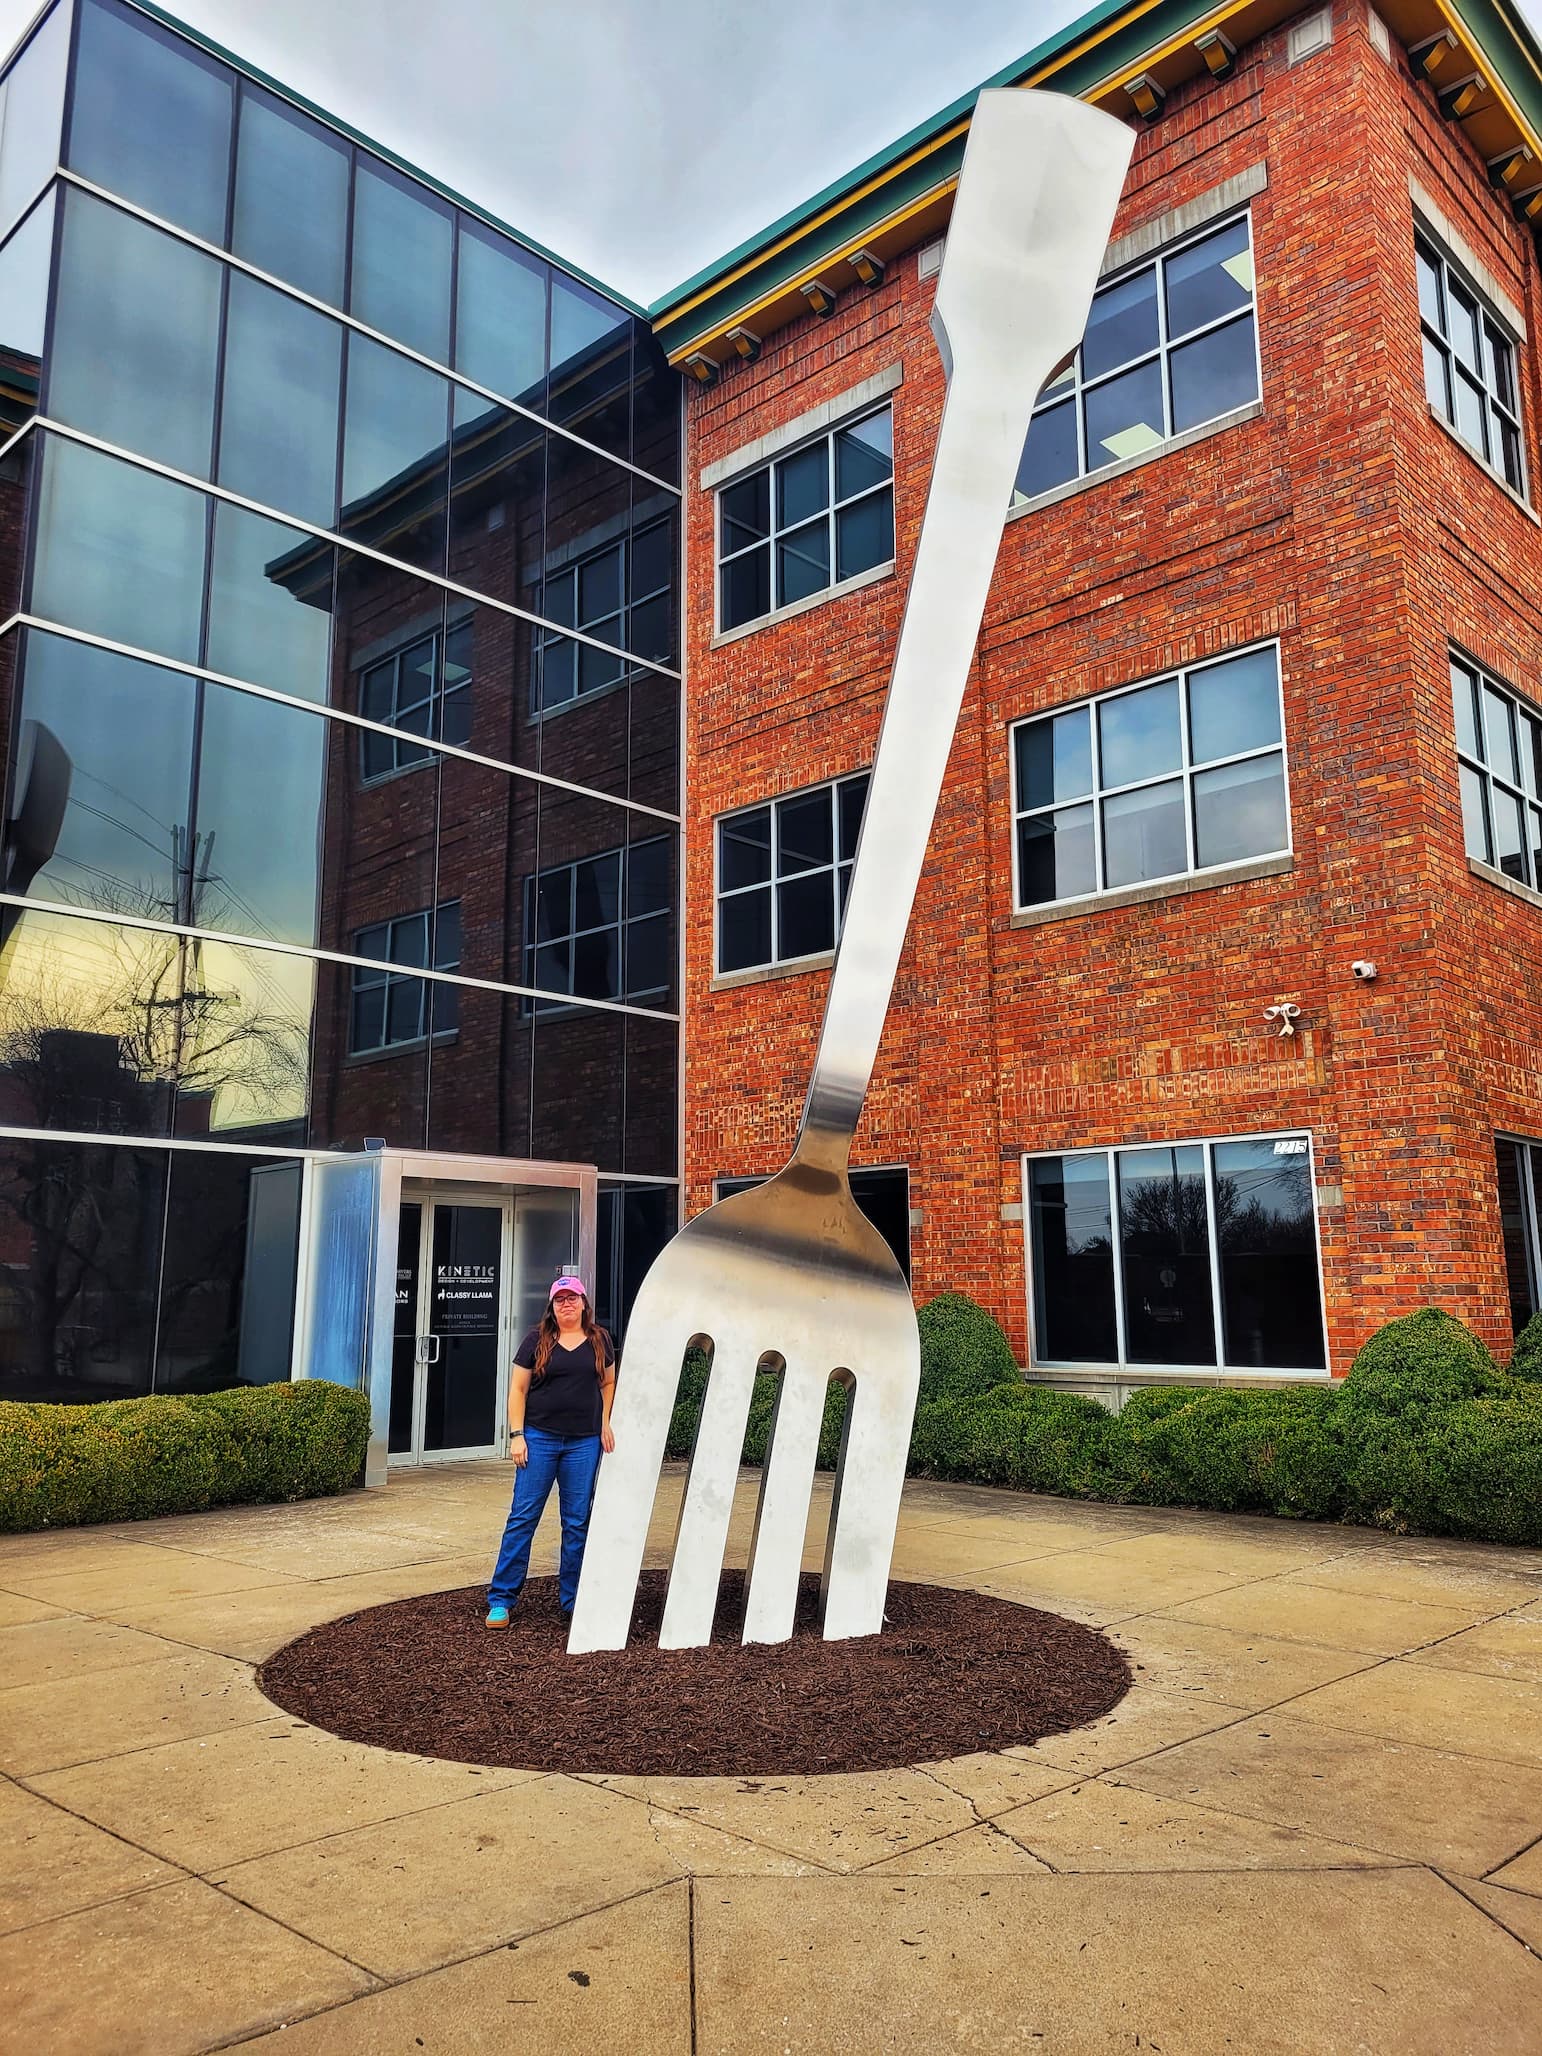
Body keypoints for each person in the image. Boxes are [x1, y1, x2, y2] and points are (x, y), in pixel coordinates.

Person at [485, 1275, 615, 1627]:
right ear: (552, 1305)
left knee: (576, 1522)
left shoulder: (600, 1340)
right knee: (523, 1517)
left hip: (583, 1442)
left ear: (585, 1304)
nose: (567, 1304)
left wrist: (604, 1421)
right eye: (560, 1299)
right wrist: (517, 1435)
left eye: (573, 1298)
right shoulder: (536, 1340)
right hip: (539, 1439)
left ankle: (573, 1600)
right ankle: (501, 1599)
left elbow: (608, 1382)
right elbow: (518, 1390)